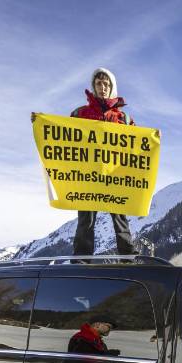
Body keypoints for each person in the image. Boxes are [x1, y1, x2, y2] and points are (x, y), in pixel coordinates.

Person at [71, 67, 139, 257]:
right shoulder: (79, 114)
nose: (103, 87)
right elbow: (64, 137)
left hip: (114, 175)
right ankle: (82, 260)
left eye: (106, 84)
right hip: (88, 175)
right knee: (86, 219)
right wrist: (40, 123)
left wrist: (154, 138)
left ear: (112, 88)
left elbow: (137, 145)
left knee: (120, 217)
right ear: (93, 86)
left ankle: (127, 257)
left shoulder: (123, 119)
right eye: (99, 83)